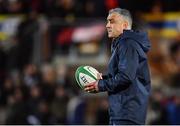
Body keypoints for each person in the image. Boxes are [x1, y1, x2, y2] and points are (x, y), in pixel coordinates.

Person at [84, 8, 151, 125]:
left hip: (127, 113)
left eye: (112, 21)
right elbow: (125, 75)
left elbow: (126, 77)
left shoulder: (127, 43)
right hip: (125, 112)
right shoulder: (125, 43)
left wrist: (101, 85)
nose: (107, 25)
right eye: (107, 21)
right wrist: (103, 79)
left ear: (124, 25)